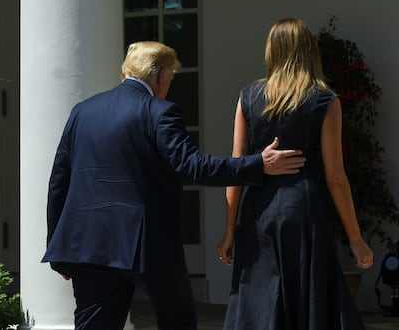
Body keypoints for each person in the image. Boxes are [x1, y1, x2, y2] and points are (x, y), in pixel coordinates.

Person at [42, 41, 307, 330]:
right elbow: (193, 166)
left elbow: (59, 181)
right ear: (162, 75)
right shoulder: (159, 111)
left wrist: (58, 246)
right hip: (146, 243)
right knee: (178, 321)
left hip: (88, 243)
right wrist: (259, 164)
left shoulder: (82, 111)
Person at [215, 18, 374, 329]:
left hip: (258, 210)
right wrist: (355, 238)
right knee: (307, 300)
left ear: (272, 51)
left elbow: (237, 169)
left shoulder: (248, 97)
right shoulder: (324, 100)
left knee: (259, 298)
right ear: (309, 50)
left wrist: (229, 230)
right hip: (303, 209)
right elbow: (335, 176)